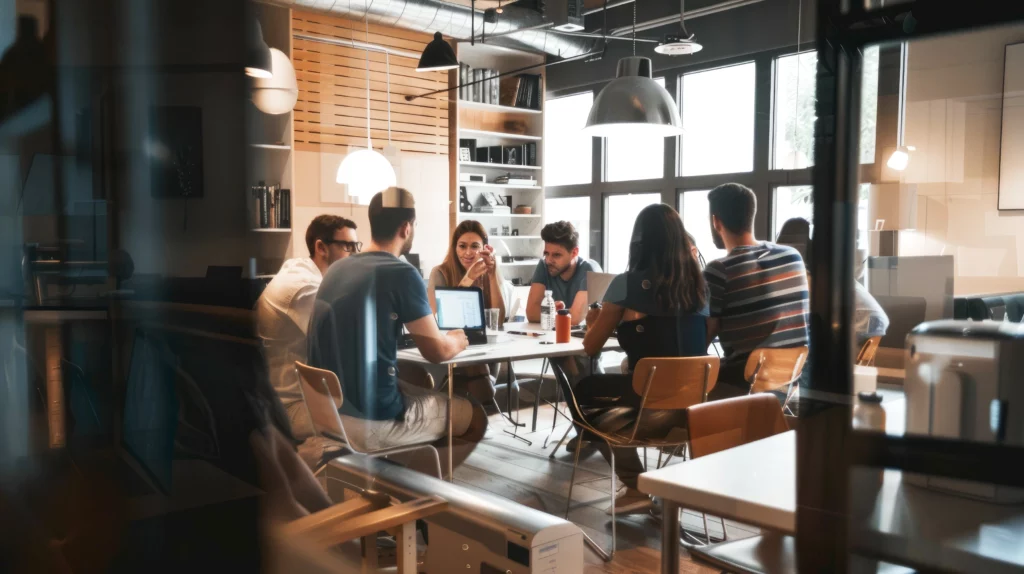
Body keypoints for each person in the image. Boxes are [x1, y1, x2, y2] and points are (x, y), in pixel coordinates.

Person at [307, 187, 487, 473]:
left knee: (421, 384)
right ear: (406, 227)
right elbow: (437, 352)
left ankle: (393, 479)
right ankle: (418, 495)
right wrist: (456, 340)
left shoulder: (337, 269)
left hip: (329, 409)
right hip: (370, 418)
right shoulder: (401, 272)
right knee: (475, 416)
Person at [576, 204, 709, 513]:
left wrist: (597, 318)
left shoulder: (625, 284)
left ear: (638, 242)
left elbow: (590, 347)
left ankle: (635, 485)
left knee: (580, 395)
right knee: (626, 375)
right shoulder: (701, 287)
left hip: (650, 410)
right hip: (696, 409)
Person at [256, 214, 360, 467]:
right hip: (289, 407)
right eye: (348, 246)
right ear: (321, 247)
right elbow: (347, 342)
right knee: (386, 415)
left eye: (358, 246)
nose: (356, 254)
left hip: (279, 398)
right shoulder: (305, 289)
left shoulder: (301, 275)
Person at [704, 183, 810, 399]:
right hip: (791, 378)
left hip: (746, 382)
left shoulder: (719, 270)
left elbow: (703, 338)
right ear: (752, 214)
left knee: (687, 379)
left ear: (716, 221)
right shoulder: (792, 256)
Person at [427, 221, 505, 403]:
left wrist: (492, 275)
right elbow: (439, 318)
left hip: (484, 346)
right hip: (452, 344)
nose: (468, 252)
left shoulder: (489, 271)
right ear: (455, 248)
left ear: (484, 248)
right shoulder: (440, 272)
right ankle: (478, 408)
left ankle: (474, 413)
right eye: (462, 246)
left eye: (474, 246)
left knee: (480, 372)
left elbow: (498, 319)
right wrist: (468, 279)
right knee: (480, 383)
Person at [527, 221, 602, 326]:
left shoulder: (590, 270)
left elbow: (575, 318)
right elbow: (531, 314)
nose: (548, 260)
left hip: (586, 339)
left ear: (574, 252)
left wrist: (548, 312)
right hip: (556, 335)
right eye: (546, 253)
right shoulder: (544, 266)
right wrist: (557, 312)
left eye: (556, 255)